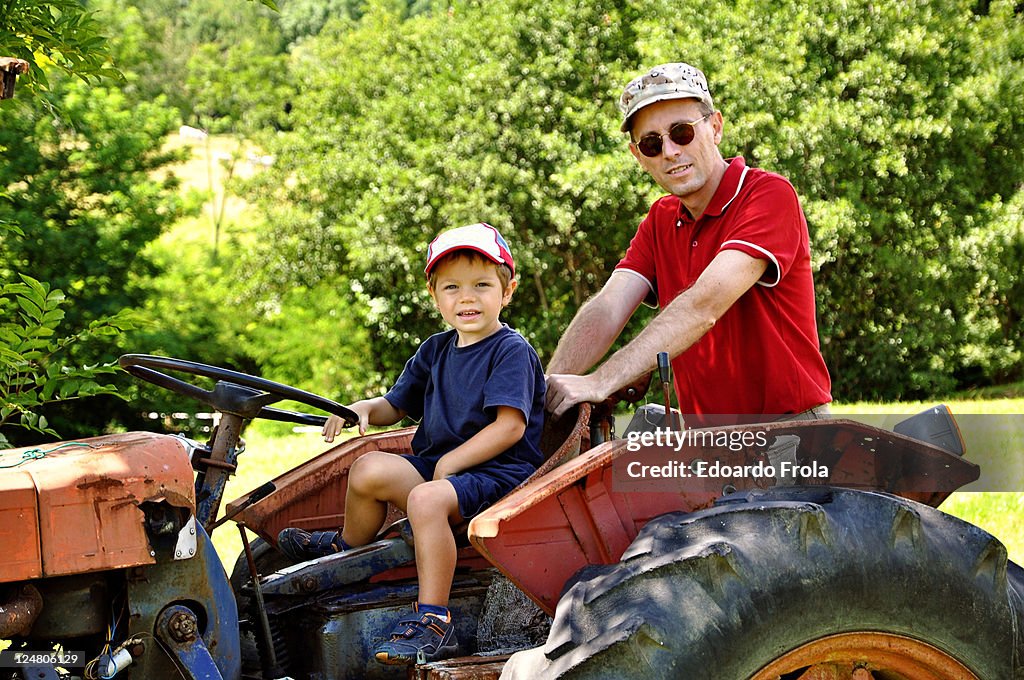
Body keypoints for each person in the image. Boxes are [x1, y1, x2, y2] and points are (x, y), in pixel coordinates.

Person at [277, 223, 546, 665]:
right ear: (434, 295)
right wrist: (363, 409)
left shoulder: (509, 351)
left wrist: (452, 465)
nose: (467, 298)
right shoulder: (436, 350)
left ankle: (434, 621)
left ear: (508, 290)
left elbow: (510, 428)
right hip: (443, 469)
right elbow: (394, 406)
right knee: (368, 468)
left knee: (425, 498)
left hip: (500, 478)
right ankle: (347, 547)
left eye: (482, 285)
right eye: (452, 287)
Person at [545, 62, 831, 425]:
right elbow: (607, 309)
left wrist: (601, 380)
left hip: (791, 435)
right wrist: (544, 397)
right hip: (707, 442)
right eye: (651, 143)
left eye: (681, 132)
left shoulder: (767, 195)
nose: (669, 151)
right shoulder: (660, 220)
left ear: (715, 127)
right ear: (638, 156)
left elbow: (704, 304)